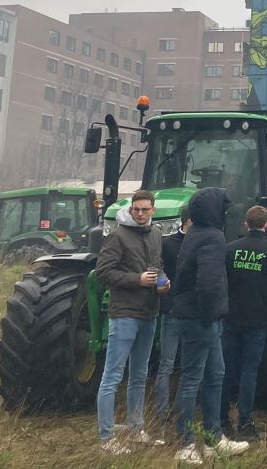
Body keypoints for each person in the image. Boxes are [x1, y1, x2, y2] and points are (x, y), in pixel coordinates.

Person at [170, 188, 248, 464]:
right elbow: (208, 282)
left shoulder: (194, 233)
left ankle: (214, 439)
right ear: (214, 211)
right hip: (201, 318)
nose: (226, 214)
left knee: (216, 375)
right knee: (192, 379)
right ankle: (186, 443)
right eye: (223, 210)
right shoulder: (213, 238)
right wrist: (208, 315)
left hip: (204, 317)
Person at [95, 190, 168, 455]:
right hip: (124, 313)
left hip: (149, 313)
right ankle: (107, 439)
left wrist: (163, 282)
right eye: (136, 209)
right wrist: (136, 280)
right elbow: (103, 272)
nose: (139, 214)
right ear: (131, 209)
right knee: (112, 376)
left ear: (153, 210)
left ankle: (136, 430)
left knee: (139, 375)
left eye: (144, 210)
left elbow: (157, 266)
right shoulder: (118, 236)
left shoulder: (156, 234)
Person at [221, 205, 267, 440]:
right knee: (249, 373)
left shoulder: (231, 249)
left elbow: (222, 282)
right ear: (266, 225)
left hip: (230, 319)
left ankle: (221, 421)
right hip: (257, 322)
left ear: (245, 224)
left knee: (226, 371)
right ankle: (245, 424)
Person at [153, 215, 191, 421]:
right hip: (173, 311)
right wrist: (164, 294)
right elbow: (159, 269)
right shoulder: (168, 244)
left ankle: (183, 410)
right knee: (167, 364)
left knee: (186, 365)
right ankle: (162, 412)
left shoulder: (198, 243)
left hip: (189, 313)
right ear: (187, 220)